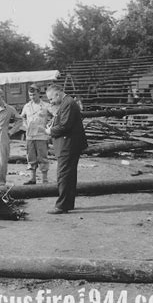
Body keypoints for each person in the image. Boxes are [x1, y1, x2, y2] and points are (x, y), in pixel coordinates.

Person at [45, 84, 88, 214]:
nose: (51, 102)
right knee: (69, 175)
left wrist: (50, 131)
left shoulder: (68, 104)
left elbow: (65, 126)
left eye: (51, 99)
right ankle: (68, 203)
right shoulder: (66, 103)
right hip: (69, 144)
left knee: (63, 175)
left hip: (68, 145)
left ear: (57, 94)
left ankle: (62, 205)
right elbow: (63, 121)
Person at [20, 84, 52, 184]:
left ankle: (44, 179)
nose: (32, 97)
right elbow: (22, 118)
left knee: (43, 157)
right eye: (30, 95)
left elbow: (56, 116)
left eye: (34, 94)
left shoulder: (46, 106)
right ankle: (32, 178)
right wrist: (25, 125)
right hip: (30, 136)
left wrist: (49, 126)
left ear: (39, 93)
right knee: (31, 157)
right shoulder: (27, 106)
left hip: (42, 136)